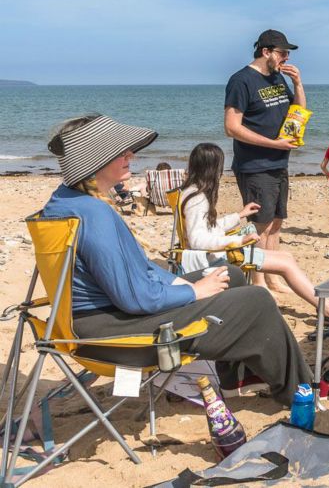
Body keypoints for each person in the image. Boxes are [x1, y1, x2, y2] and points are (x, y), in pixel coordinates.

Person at [42, 114, 312, 404]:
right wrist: (193, 291)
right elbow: (135, 298)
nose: (130, 155)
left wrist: (177, 281)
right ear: (95, 158)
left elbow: (139, 272)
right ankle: (301, 393)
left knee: (229, 275)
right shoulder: (95, 215)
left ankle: (239, 377)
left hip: (93, 323)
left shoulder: (65, 201)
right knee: (256, 300)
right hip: (113, 336)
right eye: (120, 151)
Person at [180, 143, 329, 327]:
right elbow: (198, 240)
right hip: (217, 257)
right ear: (212, 168)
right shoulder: (197, 199)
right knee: (286, 265)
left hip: (218, 252)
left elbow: (208, 228)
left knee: (287, 257)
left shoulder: (193, 192)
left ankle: (325, 305)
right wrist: (239, 240)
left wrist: (240, 215)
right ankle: (328, 310)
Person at [224, 29, 304, 293]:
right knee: (260, 225)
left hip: (279, 162)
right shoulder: (241, 80)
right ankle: (258, 281)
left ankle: (273, 276)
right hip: (255, 165)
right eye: (282, 53)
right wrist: (273, 144)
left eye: (287, 53)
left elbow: (297, 114)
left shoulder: (278, 78)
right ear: (266, 52)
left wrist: (298, 85)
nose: (286, 57)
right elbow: (232, 127)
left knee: (277, 222)